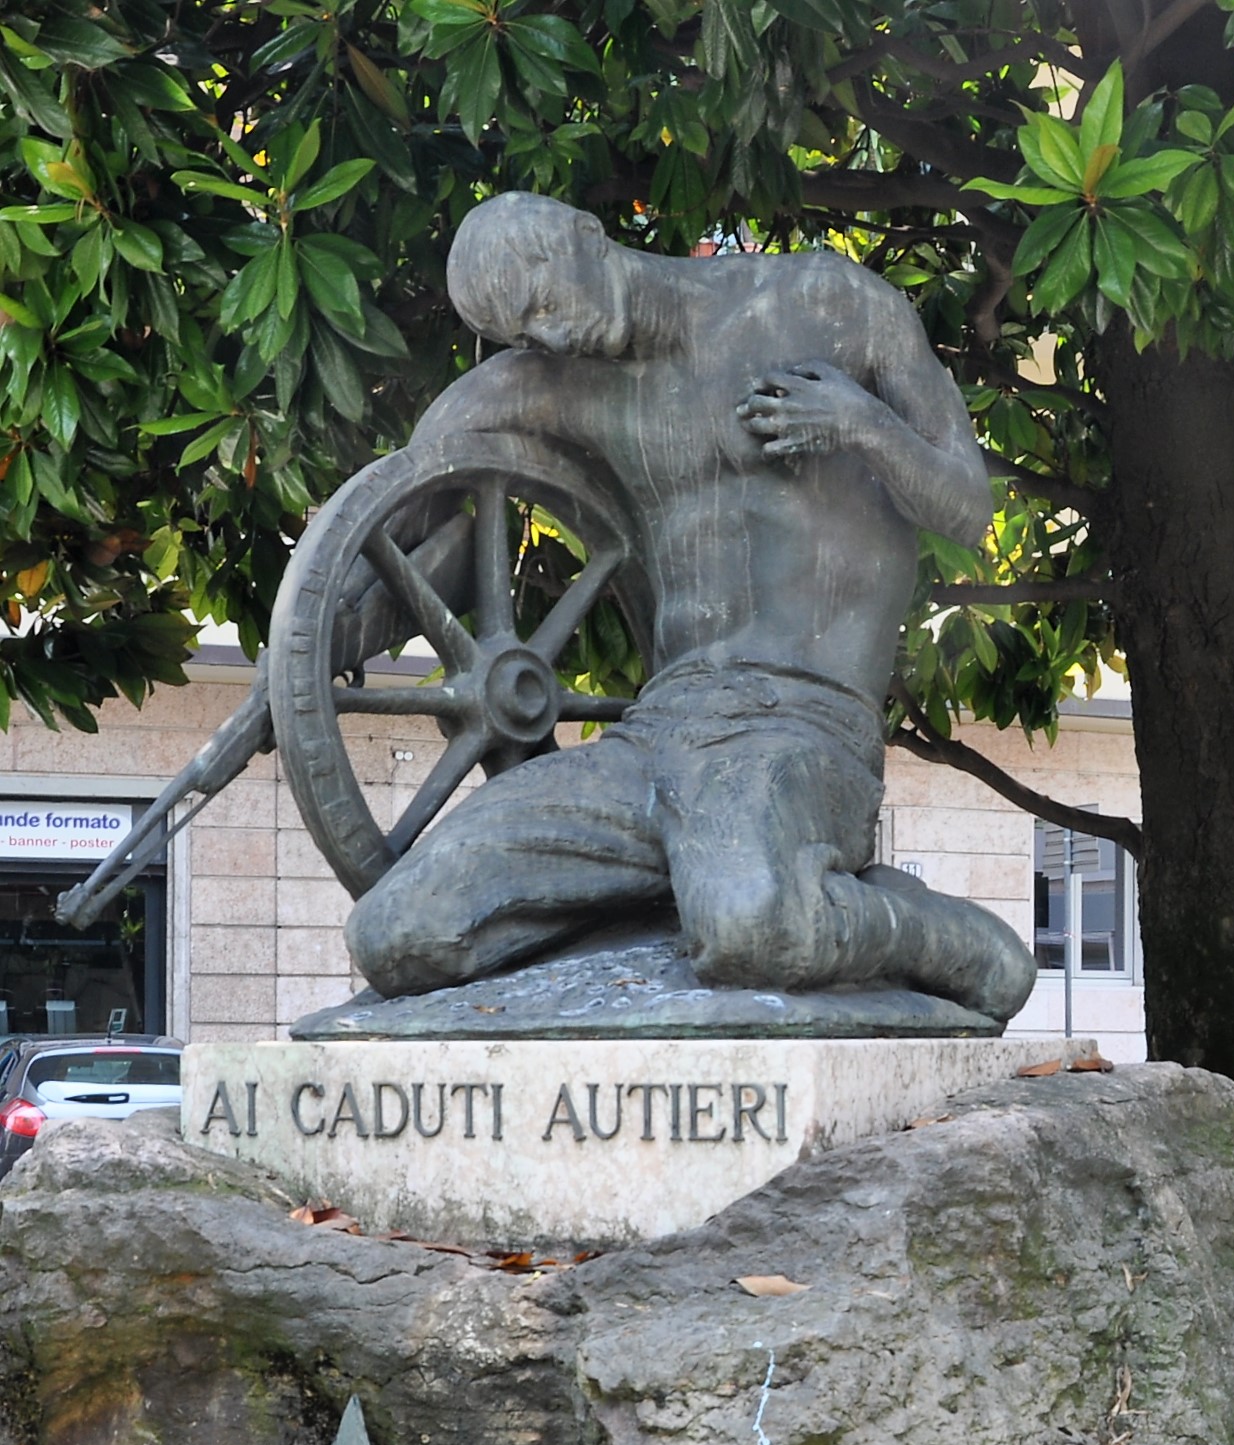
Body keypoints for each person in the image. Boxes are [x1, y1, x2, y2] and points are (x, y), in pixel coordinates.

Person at [345, 193, 1036, 1022]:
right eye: (524, 332)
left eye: (546, 306)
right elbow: (391, 530)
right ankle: (697, 902)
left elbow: (967, 507)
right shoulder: (545, 383)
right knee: (396, 931)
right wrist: (312, 650)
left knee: (749, 926)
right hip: (653, 739)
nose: (550, 339)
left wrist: (860, 425)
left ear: (586, 235)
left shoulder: (830, 303)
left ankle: (948, 941)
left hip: (801, 726)